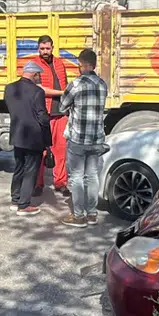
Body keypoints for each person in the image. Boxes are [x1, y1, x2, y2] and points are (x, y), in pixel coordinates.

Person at [59, 48, 109, 227]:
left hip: (78, 139)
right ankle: (92, 214)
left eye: (79, 65)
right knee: (92, 176)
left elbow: (62, 107)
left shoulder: (76, 84)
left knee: (77, 177)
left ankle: (79, 216)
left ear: (82, 65)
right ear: (94, 65)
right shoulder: (103, 84)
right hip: (96, 139)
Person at [3, 61, 51, 216]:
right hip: (33, 137)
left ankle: (15, 200)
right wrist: (47, 141)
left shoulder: (9, 88)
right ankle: (24, 205)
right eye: (39, 75)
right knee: (31, 171)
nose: (40, 79)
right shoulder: (37, 92)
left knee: (19, 168)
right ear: (34, 74)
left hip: (17, 134)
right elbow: (42, 117)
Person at [26, 35, 70, 197]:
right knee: (41, 151)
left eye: (48, 48)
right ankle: (38, 184)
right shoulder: (34, 65)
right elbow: (38, 88)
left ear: (52, 48)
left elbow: (65, 84)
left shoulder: (59, 63)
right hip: (43, 113)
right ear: (38, 48)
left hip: (61, 112)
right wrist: (62, 93)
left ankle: (61, 183)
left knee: (61, 149)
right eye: (42, 48)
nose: (45, 51)